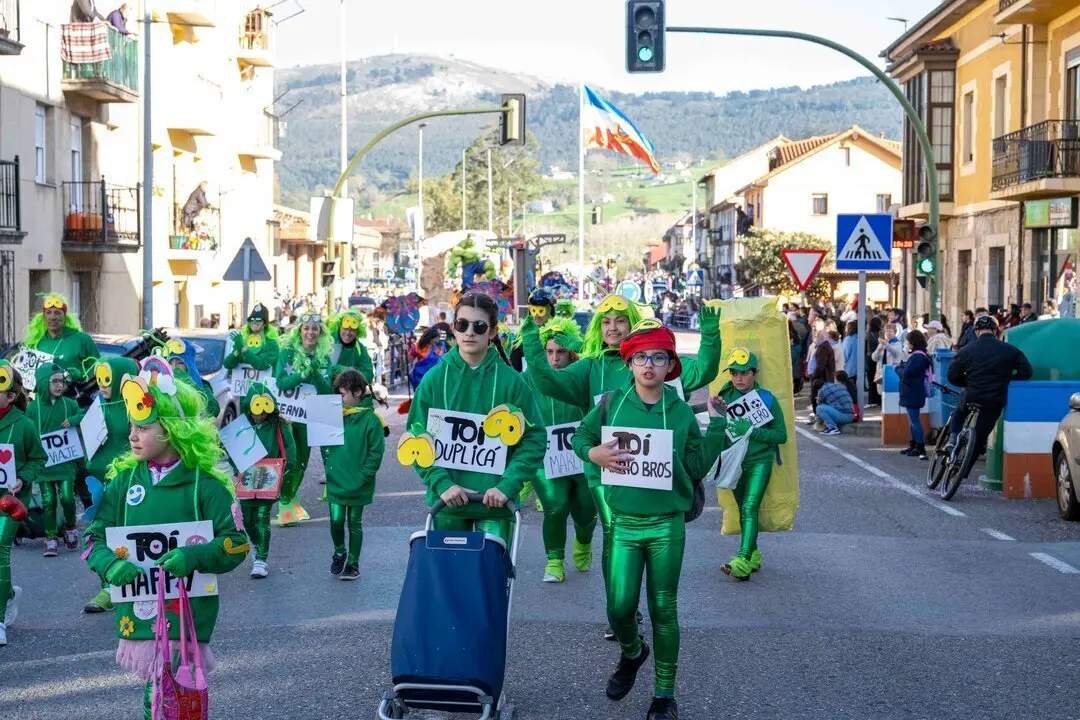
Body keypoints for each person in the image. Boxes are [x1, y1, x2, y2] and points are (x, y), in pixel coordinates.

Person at [520, 295, 721, 635]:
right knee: (613, 530)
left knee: (650, 550)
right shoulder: (591, 366)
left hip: (655, 477)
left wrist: (712, 338)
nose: (613, 327)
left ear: (631, 324)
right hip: (605, 472)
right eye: (607, 321)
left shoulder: (650, 359)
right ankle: (621, 614)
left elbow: (699, 372)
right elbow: (549, 382)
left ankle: (633, 610)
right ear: (599, 327)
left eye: (620, 321)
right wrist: (531, 345)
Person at [573, 322, 728, 720]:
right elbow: (580, 439)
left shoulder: (678, 412)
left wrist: (719, 429)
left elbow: (695, 465)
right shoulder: (611, 403)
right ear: (629, 362)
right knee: (619, 608)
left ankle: (664, 695)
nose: (649, 365)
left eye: (659, 357)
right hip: (623, 523)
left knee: (664, 609)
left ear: (670, 365)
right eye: (641, 357)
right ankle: (632, 651)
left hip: (665, 525)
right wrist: (594, 455)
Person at [84, 359, 247, 719]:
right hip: (141, 614)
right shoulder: (123, 483)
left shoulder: (204, 486)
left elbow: (236, 544)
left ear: (172, 429)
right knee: (157, 692)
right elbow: (93, 538)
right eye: (131, 426)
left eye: (143, 426)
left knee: (176, 695)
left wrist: (196, 556)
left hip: (187, 615)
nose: (131, 436)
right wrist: (109, 565)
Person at [404, 292, 545, 546]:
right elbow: (416, 438)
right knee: (451, 585)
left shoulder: (513, 382)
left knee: (492, 584)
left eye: (479, 326)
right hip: (446, 503)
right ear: (454, 330)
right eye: (462, 325)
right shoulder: (434, 380)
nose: (470, 332)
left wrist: (508, 485)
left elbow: (534, 438)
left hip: (497, 506)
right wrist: (442, 484)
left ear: (492, 332)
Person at [524, 316, 597, 583]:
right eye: (549, 352)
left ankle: (584, 538)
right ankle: (554, 560)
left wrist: (581, 344)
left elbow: (601, 360)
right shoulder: (529, 378)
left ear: (572, 352)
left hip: (583, 453)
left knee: (586, 510)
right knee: (555, 507)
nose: (554, 359)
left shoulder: (586, 372)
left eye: (561, 352)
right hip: (547, 456)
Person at [711, 348, 787, 578]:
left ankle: (742, 559)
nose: (739, 378)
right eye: (734, 373)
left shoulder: (767, 399)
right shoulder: (724, 397)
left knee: (749, 507)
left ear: (755, 373)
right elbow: (717, 432)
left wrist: (752, 431)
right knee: (743, 509)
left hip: (759, 461)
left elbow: (780, 436)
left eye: (744, 373)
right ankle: (753, 554)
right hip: (734, 462)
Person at [81, 357, 140, 613]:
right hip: (103, 483)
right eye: (100, 380)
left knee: (132, 531)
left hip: (133, 481)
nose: (103, 386)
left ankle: (138, 580)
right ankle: (108, 586)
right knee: (102, 532)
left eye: (109, 379)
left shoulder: (134, 407)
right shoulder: (96, 407)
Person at [0, 361, 48, 646]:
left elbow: (38, 459)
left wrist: (22, 479)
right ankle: (7, 594)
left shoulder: (24, 425)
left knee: (0, 552)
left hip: (10, 503)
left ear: (10, 395)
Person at [321, 370, 386, 581]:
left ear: (357, 392)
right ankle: (339, 552)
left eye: (342, 394)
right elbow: (322, 441)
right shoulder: (332, 416)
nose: (338, 399)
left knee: (354, 523)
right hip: (337, 481)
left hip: (360, 483)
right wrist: (329, 466)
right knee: (336, 521)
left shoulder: (371, 420)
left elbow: (376, 452)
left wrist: (364, 476)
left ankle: (353, 562)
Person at [946, 316, 1033, 471]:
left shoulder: (966, 350)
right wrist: (1006, 379)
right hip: (995, 398)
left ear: (977, 331)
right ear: (995, 330)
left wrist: (967, 382)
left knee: (959, 413)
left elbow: (952, 376)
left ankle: (952, 440)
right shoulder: (1011, 350)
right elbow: (1027, 372)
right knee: (979, 437)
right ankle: (962, 470)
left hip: (972, 394)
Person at [273, 310, 333, 527]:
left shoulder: (324, 356)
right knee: (291, 458)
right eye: (306, 328)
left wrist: (316, 373)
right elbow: (280, 382)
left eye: (314, 329)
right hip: (289, 416)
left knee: (302, 462)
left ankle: (291, 497)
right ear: (299, 331)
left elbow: (328, 392)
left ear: (320, 332)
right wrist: (302, 375)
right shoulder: (287, 353)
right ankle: (285, 501)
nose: (310, 333)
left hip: (311, 416)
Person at [234, 382, 298, 579]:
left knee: (262, 516)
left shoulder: (279, 425)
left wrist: (285, 473)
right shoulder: (241, 426)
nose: (259, 415)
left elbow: (290, 449)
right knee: (247, 519)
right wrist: (237, 468)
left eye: (263, 411)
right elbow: (231, 450)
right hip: (247, 478)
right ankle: (255, 542)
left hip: (269, 477)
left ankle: (261, 558)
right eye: (256, 411)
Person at [26, 363, 85, 556]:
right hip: (44, 464)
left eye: (62, 381)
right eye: (55, 381)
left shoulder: (69, 405)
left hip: (65, 462)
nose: (60, 385)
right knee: (48, 500)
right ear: (43, 383)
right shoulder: (33, 408)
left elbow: (85, 413)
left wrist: (75, 419)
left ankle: (70, 528)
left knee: (67, 497)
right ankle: (50, 537)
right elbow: (27, 431)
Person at [22, 293, 100, 383]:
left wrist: (79, 376)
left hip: (74, 395)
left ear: (65, 316)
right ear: (43, 317)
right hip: (43, 396)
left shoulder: (82, 339)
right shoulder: (36, 343)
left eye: (57, 313)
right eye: (48, 313)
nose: (53, 317)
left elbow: (97, 367)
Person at [163, 338, 219, 420]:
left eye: (180, 363)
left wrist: (191, 385)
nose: (174, 368)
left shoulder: (202, 385)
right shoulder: (160, 386)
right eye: (169, 363)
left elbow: (214, 410)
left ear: (189, 365)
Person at [899, 330, 932, 460]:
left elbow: (907, 373)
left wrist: (898, 368)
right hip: (914, 391)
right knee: (912, 419)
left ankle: (920, 446)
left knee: (914, 420)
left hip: (913, 391)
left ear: (913, 342)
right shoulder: (922, 355)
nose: (907, 344)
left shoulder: (917, 357)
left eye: (908, 342)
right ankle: (914, 444)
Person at [510, 287, 559, 372]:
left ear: (551, 312)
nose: (536, 315)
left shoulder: (559, 333)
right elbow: (515, 367)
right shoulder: (522, 335)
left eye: (541, 311)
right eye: (533, 310)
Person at [223, 303, 281, 373]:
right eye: (251, 319)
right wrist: (237, 352)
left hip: (263, 383)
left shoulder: (271, 344)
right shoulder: (243, 341)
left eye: (258, 319)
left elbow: (262, 365)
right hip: (243, 383)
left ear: (265, 324)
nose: (254, 321)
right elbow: (227, 364)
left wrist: (244, 350)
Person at [328, 309, 374, 384]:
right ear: (339, 328)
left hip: (349, 392)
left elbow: (369, 375)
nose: (348, 333)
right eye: (345, 329)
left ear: (357, 331)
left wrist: (349, 371)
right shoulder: (328, 342)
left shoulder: (359, 348)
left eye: (352, 330)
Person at [871, 322, 907, 398]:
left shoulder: (897, 343)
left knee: (891, 392)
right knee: (882, 392)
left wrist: (886, 345)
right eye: (887, 331)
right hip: (881, 371)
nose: (888, 333)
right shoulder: (882, 344)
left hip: (892, 371)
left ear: (895, 333)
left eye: (890, 331)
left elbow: (896, 353)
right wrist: (878, 349)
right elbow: (874, 358)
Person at [815, 371, 856, 435]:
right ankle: (830, 427)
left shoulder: (822, 390)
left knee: (819, 408)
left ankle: (833, 428)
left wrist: (818, 397)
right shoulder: (840, 386)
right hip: (851, 415)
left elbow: (819, 403)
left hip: (844, 417)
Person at [865, 316, 883, 406]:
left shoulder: (868, 334)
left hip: (870, 358)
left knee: (871, 379)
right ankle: (877, 399)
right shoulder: (879, 335)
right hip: (877, 357)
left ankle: (872, 400)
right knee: (877, 379)